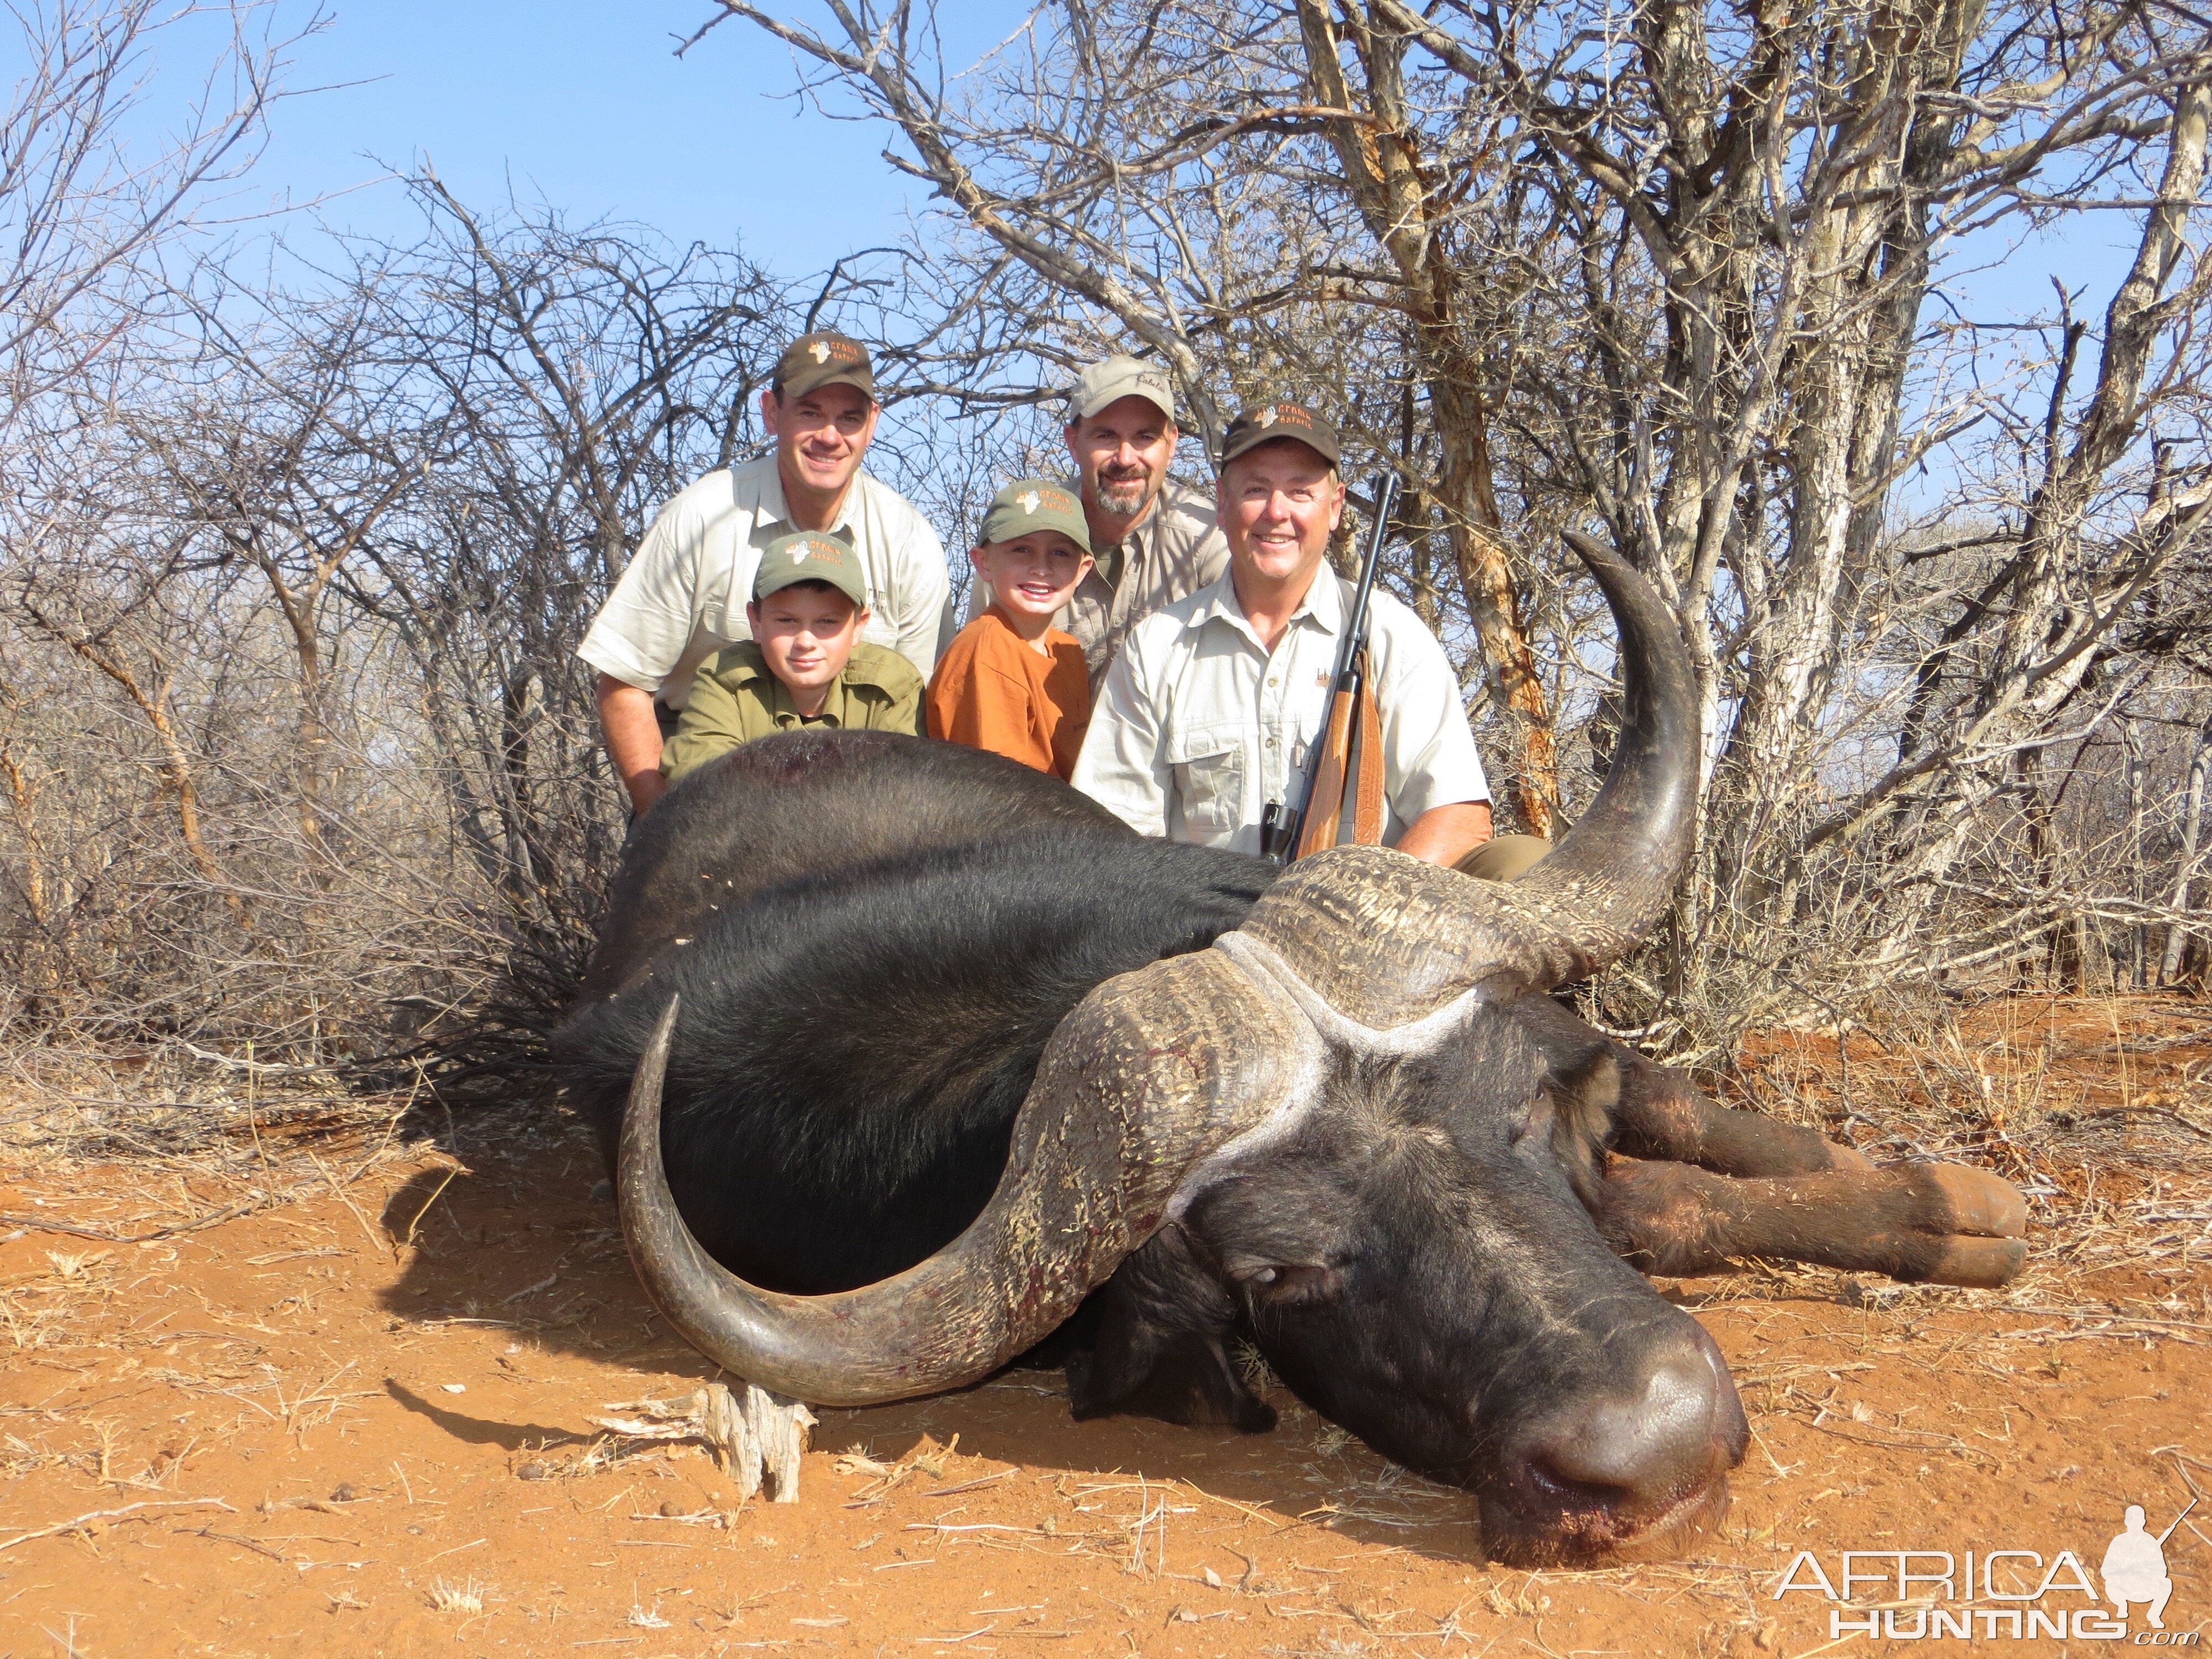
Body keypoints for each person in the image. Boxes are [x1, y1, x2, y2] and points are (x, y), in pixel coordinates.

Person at [1071, 399, 1498, 867]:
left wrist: (1365, 914)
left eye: (1300, 492)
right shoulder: (1156, 649)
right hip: (1210, 933)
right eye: (1256, 489)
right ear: (1222, 502)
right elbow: (1114, 839)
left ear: (1335, 508)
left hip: (1364, 928)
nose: (1276, 512)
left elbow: (1459, 816)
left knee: (1517, 860)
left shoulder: (1391, 635)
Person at [580, 329, 950, 812]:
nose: (830, 437)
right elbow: (624, 685)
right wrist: (667, 835)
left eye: (849, 418)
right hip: (709, 773)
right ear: (772, 413)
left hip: (856, 791)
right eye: (810, 412)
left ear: (873, 423)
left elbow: (917, 708)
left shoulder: (909, 539)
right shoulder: (701, 517)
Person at [967, 354, 1227, 691]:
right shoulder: (1019, 537)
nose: (1125, 458)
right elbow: (980, 669)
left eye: (1145, 438)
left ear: (1172, 443)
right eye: (1106, 436)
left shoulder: (1209, 540)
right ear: (1074, 442)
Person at [659, 530, 924, 787]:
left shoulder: (894, 686)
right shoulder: (723, 678)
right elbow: (703, 784)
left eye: (828, 622)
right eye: (786, 621)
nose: (806, 642)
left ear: (858, 626)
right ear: (757, 622)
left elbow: (899, 793)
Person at [927, 479, 1095, 781]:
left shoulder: (1067, 651)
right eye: (1022, 549)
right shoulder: (987, 650)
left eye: (1060, 553)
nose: (1041, 568)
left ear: (1082, 570)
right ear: (983, 562)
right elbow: (1000, 794)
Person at [2101, 1505, 2174, 1627]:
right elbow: (2106, 1571)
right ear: (2126, 1522)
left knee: (2166, 1583)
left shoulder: (2150, 1542)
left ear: (2144, 1522)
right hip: (2124, 1588)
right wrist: (2125, 1570)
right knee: (2110, 1583)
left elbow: (2162, 1570)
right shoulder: (2119, 1541)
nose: (2135, 1524)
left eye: (2139, 1521)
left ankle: (2154, 1615)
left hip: (2144, 1587)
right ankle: (2122, 1606)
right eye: (2132, 1521)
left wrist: (2146, 1570)